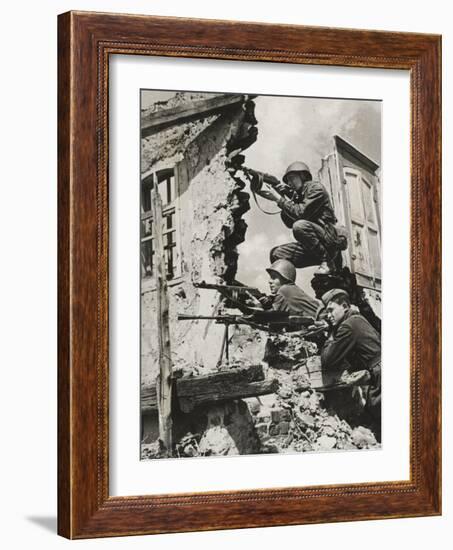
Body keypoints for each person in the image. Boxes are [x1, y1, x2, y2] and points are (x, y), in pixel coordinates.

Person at [258, 161, 346, 274]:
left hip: (328, 242)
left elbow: (300, 213)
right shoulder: (298, 195)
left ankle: (328, 262)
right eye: (288, 181)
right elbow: (289, 222)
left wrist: (278, 199)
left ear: (303, 176)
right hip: (313, 247)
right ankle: (287, 288)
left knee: (299, 226)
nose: (289, 183)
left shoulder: (316, 188)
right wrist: (281, 194)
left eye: (292, 178)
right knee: (277, 254)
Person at [319, 288, 381, 438]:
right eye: (327, 312)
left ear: (345, 307)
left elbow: (328, 360)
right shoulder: (356, 319)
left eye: (331, 310)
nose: (329, 315)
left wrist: (330, 335)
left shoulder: (348, 326)